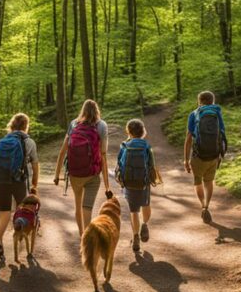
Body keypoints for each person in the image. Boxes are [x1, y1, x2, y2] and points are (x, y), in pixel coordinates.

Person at [53, 99, 110, 236]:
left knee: (78, 206)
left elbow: (62, 152)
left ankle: (81, 236)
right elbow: (103, 154)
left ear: (82, 110)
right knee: (87, 207)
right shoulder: (101, 125)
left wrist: (56, 175)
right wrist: (107, 186)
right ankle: (88, 238)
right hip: (92, 174)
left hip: (75, 174)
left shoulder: (73, 124)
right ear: (96, 110)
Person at [0, 113, 39, 262]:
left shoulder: (4, 140)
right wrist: (34, 186)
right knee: (20, 209)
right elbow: (35, 167)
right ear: (26, 126)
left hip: (1, 180)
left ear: (12, 125)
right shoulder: (29, 142)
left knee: (4, 211)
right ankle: (19, 234)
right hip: (18, 181)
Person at [116, 118, 161, 253]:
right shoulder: (146, 146)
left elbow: (118, 166)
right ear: (143, 131)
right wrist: (153, 180)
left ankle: (135, 236)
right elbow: (152, 166)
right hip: (143, 183)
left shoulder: (124, 146)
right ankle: (145, 224)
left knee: (133, 211)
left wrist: (121, 181)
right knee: (146, 205)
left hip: (129, 184)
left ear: (128, 131)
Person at [183, 91, 227, 223]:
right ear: (212, 101)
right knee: (209, 182)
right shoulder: (217, 113)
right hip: (214, 155)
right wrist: (220, 154)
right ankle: (207, 205)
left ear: (199, 101)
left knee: (198, 182)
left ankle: (202, 205)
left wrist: (186, 159)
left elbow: (188, 138)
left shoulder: (194, 114)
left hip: (198, 155)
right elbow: (222, 134)